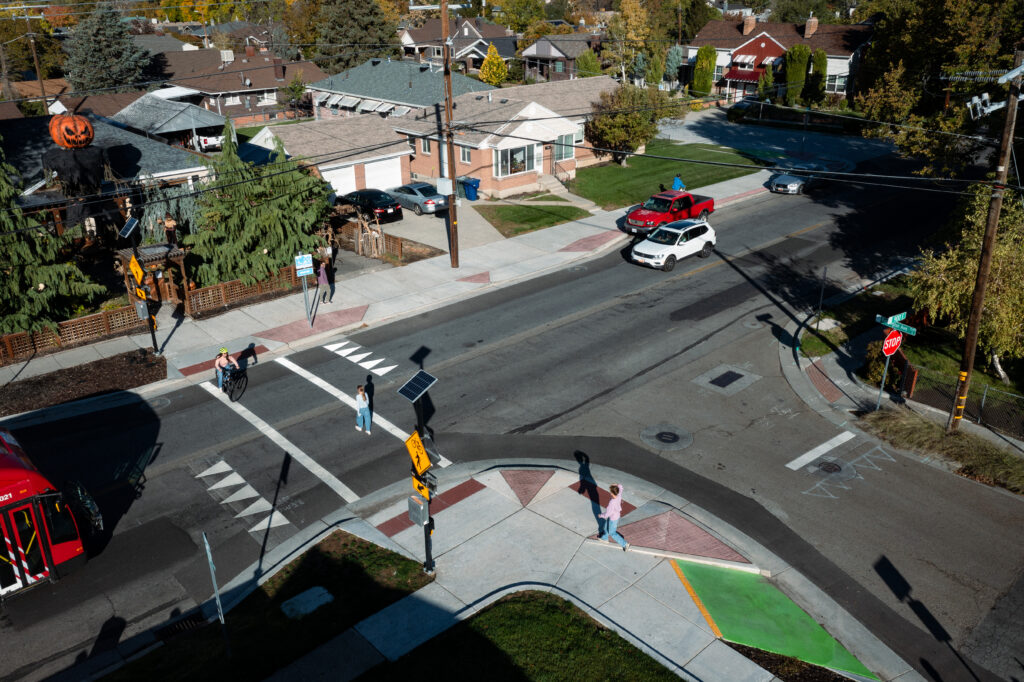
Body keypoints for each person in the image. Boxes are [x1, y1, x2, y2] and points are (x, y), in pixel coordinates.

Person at [598, 484, 629, 551]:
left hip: (613, 518)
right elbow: (621, 487)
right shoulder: (619, 495)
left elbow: (607, 514)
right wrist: (616, 485)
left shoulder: (612, 502)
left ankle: (625, 544)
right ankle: (605, 538)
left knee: (612, 533)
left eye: (610, 491)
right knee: (606, 526)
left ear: (612, 493)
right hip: (615, 515)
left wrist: (601, 515)